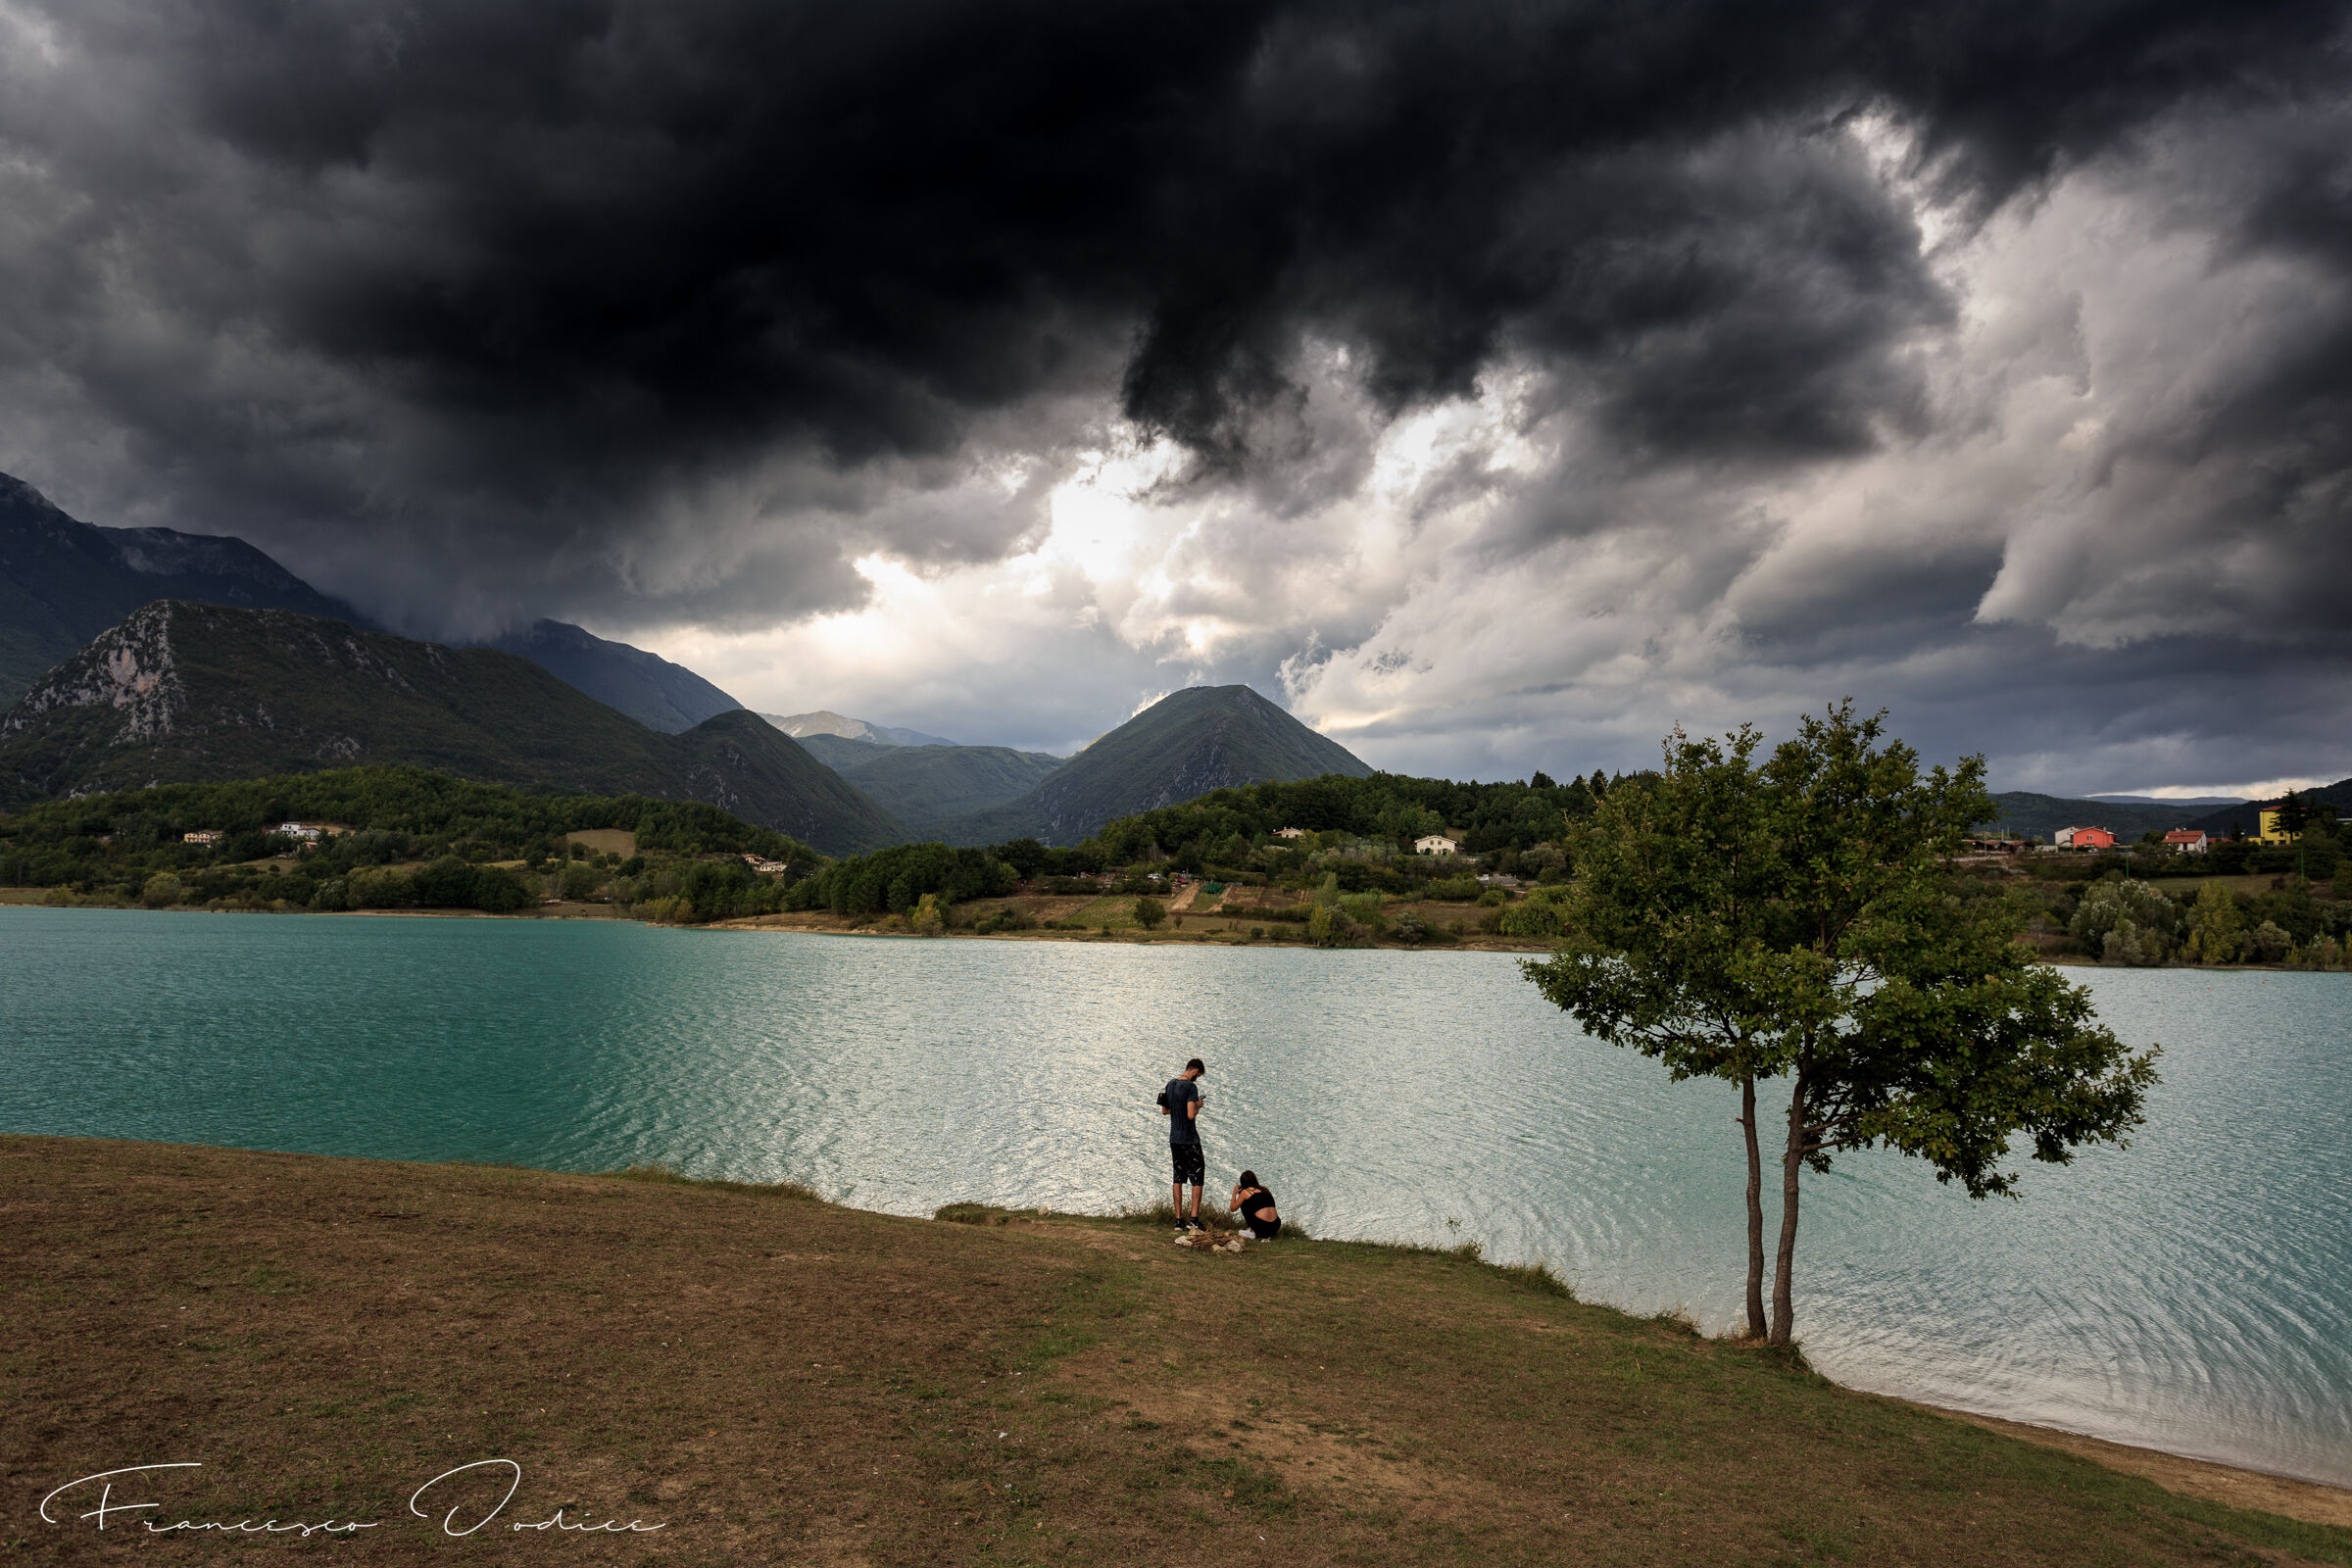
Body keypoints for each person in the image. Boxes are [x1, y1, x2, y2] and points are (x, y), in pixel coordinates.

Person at [1157, 1056, 1206, 1230]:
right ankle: (1194, 1219)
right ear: (1195, 1070)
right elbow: (1191, 1115)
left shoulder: (1170, 1084)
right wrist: (1198, 1104)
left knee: (1177, 1177)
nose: (1197, 1078)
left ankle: (1178, 1220)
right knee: (1197, 1177)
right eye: (1198, 1075)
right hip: (1189, 1139)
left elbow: (1165, 1111)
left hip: (1174, 1139)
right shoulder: (1191, 1087)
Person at [1229, 1170, 1281, 1241]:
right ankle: (1257, 1231)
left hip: (1262, 1227)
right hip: (1275, 1226)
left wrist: (1234, 1193)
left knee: (1244, 1203)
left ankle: (1252, 1232)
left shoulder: (1245, 1192)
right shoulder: (1265, 1190)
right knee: (1254, 1203)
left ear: (1243, 1183)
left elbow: (1233, 1208)